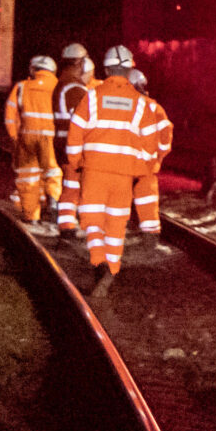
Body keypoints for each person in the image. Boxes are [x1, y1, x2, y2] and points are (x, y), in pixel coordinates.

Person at [67, 46, 149, 300]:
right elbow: (147, 143)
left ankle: (99, 262)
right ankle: (110, 270)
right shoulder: (139, 103)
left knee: (93, 223)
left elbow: (75, 134)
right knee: (115, 225)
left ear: (105, 70)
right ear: (130, 70)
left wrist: (76, 162)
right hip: (122, 176)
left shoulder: (91, 97)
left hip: (94, 173)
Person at [4, 54, 62, 228]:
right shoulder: (59, 87)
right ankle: (53, 200)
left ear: (32, 70)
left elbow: (10, 115)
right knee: (52, 172)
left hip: (27, 137)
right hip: (50, 138)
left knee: (28, 177)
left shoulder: (22, 87)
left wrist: (15, 137)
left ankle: (32, 216)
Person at [52, 43, 95, 238]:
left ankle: (68, 223)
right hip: (73, 145)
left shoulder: (63, 82)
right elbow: (86, 119)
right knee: (74, 185)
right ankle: (69, 226)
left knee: (71, 185)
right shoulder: (75, 87)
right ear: (81, 62)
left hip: (63, 142)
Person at [127, 66, 174, 239]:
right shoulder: (154, 107)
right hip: (146, 166)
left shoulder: (116, 106)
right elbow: (166, 132)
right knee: (147, 199)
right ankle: (150, 237)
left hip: (120, 164)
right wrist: (160, 155)